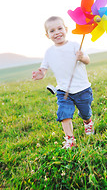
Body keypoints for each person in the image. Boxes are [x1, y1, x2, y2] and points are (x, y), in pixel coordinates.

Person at [32, 16, 94, 149]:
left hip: (82, 88)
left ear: (66, 29)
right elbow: (44, 67)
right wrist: (41, 73)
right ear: (47, 35)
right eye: (52, 30)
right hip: (63, 90)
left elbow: (88, 60)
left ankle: (87, 122)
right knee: (64, 113)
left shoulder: (75, 45)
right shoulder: (49, 52)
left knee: (85, 112)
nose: (57, 32)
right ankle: (70, 139)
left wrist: (82, 57)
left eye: (60, 28)